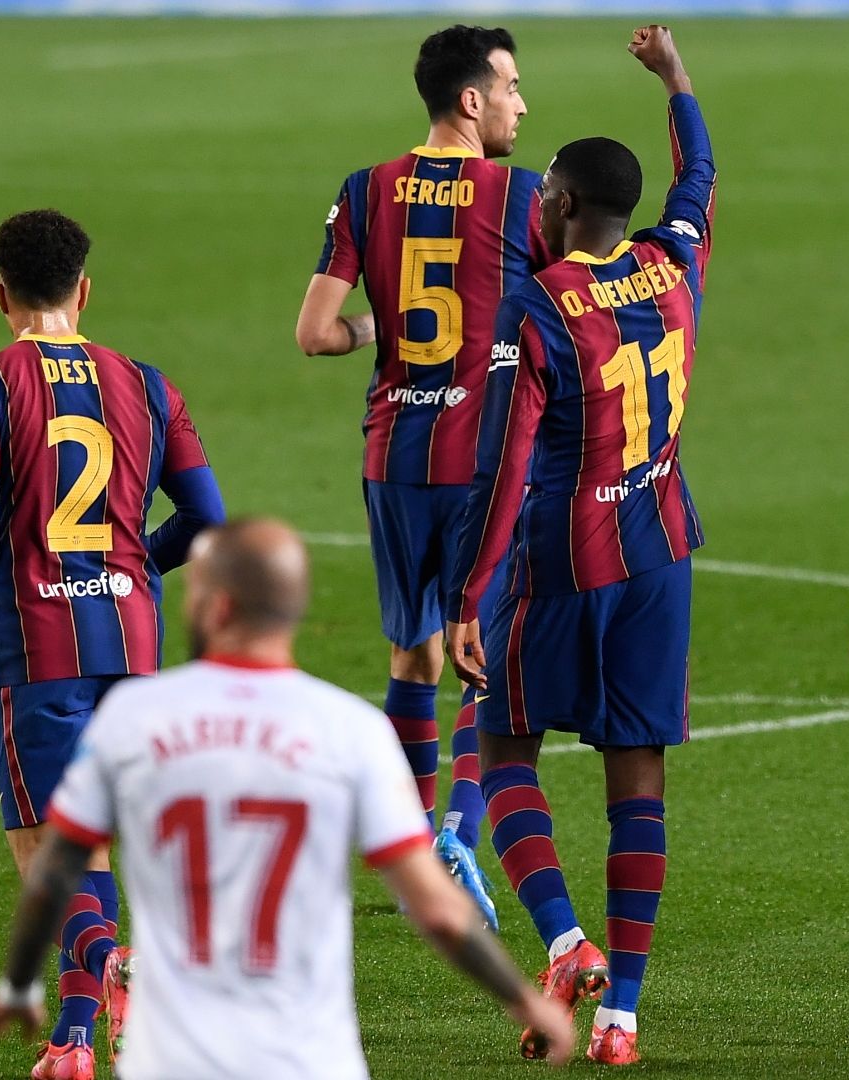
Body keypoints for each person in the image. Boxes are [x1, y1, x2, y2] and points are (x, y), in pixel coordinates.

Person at [0, 519, 575, 1078]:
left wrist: (17, 987)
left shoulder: (133, 721)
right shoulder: (351, 731)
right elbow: (437, 909)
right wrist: (525, 1001)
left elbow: (55, 870)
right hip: (311, 1061)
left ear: (218, 606)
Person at [441, 25, 711, 1067]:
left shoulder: (538, 307)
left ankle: (562, 942)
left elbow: (504, 468)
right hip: (660, 556)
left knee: (501, 749)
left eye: (545, 194)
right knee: (636, 779)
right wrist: (677, 81)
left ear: (559, 208)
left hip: (558, 562)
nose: (538, 205)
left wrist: (468, 594)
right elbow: (700, 178)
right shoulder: (673, 262)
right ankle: (623, 1020)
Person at [0, 208, 225, 1079]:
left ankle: (117, 966)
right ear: (84, 290)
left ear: (3, 295)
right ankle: (71, 1041)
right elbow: (208, 517)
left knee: (46, 846)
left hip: (38, 645)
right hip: (133, 642)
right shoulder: (147, 382)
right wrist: (137, 563)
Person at [293, 24, 547, 916]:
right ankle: (457, 834)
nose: (522, 102)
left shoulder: (364, 190)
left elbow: (317, 332)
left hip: (394, 450)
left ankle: (408, 848)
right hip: (485, 457)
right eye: (512, 86)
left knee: (414, 653)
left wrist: (378, 330)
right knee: (489, 652)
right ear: (471, 99)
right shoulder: (524, 197)